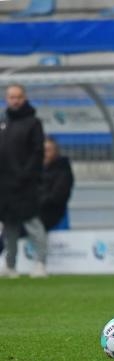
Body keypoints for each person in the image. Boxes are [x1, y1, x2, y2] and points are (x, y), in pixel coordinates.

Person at [0, 84, 49, 278]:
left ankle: (40, 263)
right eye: (11, 97)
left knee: (32, 224)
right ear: (6, 99)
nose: (15, 100)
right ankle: (10, 265)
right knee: (9, 226)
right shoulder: (4, 122)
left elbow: (37, 153)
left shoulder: (33, 123)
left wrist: (25, 175)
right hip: (5, 185)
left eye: (18, 97)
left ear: (25, 98)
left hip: (25, 185)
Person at [40, 136, 74, 231]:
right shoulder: (33, 169)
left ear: (55, 152)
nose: (44, 154)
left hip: (56, 215)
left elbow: (59, 195)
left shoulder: (63, 170)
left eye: (48, 150)